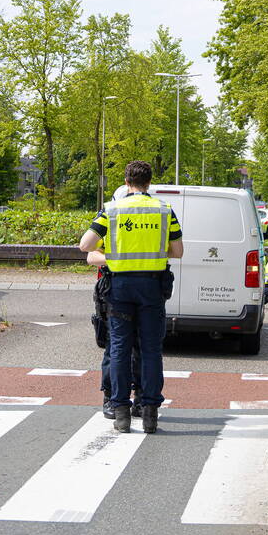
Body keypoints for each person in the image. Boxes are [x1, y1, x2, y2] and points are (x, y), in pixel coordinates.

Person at [79, 160, 183, 434]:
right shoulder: (164, 210)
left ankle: (121, 413)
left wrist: (116, 257)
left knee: (120, 349)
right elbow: (178, 251)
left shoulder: (112, 210)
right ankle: (149, 414)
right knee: (150, 350)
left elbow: (85, 245)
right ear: (149, 183)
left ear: (127, 182)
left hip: (120, 288)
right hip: (151, 288)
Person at [87, 246, 142, 419]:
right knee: (115, 347)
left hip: (144, 288)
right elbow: (91, 255)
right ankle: (110, 397)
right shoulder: (110, 218)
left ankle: (141, 398)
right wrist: (118, 260)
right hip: (115, 288)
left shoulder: (154, 218)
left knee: (141, 348)